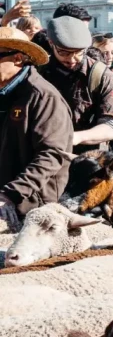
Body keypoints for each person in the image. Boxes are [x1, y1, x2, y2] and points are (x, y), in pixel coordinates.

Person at [0, 27, 72, 229]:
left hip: (30, 207)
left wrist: (10, 194)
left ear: (18, 58)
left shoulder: (43, 96)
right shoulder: (4, 92)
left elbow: (51, 155)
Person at [41, 16, 113, 155]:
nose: (72, 59)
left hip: (85, 160)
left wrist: (77, 137)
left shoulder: (100, 75)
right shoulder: (38, 71)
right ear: (51, 43)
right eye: (64, 52)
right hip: (43, 157)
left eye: (78, 52)